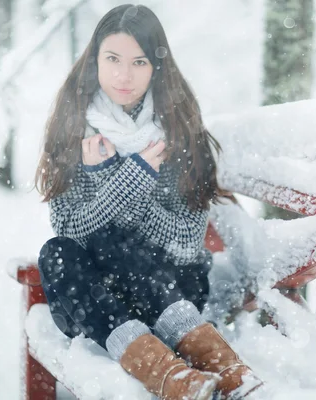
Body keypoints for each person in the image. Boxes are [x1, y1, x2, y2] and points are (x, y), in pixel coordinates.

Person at [34, 4, 263, 400]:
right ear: (95, 62)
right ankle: (173, 378)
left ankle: (222, 367)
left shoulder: (178, 130)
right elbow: (69, 229)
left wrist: (123, 181)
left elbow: (187, 241)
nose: (124, 75)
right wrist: (127, 177)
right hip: (98, 302)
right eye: (113, 59)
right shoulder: (72, 129)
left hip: (173, 296)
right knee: (56, 252)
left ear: (157, 66)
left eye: (138, 61)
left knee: (120, 239)